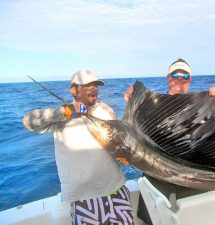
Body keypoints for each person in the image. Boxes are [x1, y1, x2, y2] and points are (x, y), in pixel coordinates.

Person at [23, 69, 134, 225]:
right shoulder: (61, 117)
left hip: (117, 189)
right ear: (73, 90)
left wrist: (122, 154)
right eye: (88, 85)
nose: (94, 88)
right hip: (84, 199)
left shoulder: (107, 111)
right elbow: (28, 121)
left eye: (96, 85)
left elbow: (116, 142)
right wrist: (66, 111)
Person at [124, 58, 215, 225]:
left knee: (211, 215)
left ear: (190, 80)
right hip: (155, 172)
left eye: (185, 76)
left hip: (190, 172)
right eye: (175, 74)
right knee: (150, 218)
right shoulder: (151, 105)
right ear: (167, 77)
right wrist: (132, 102)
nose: (179, 79)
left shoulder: (202, 106)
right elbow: (130, 134)